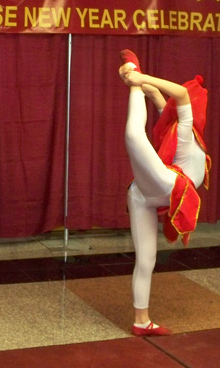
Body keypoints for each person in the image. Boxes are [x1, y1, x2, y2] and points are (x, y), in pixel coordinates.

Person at [118, 50, 210, 337]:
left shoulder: (180, 128)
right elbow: (178, 93)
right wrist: (135, 77)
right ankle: (133, 72)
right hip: (166, 185)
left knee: (146, 259)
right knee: (134, 135)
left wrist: (138, 80)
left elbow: (163, 97)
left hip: (146, 195)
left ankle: (141, 321)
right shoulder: (182, 126)